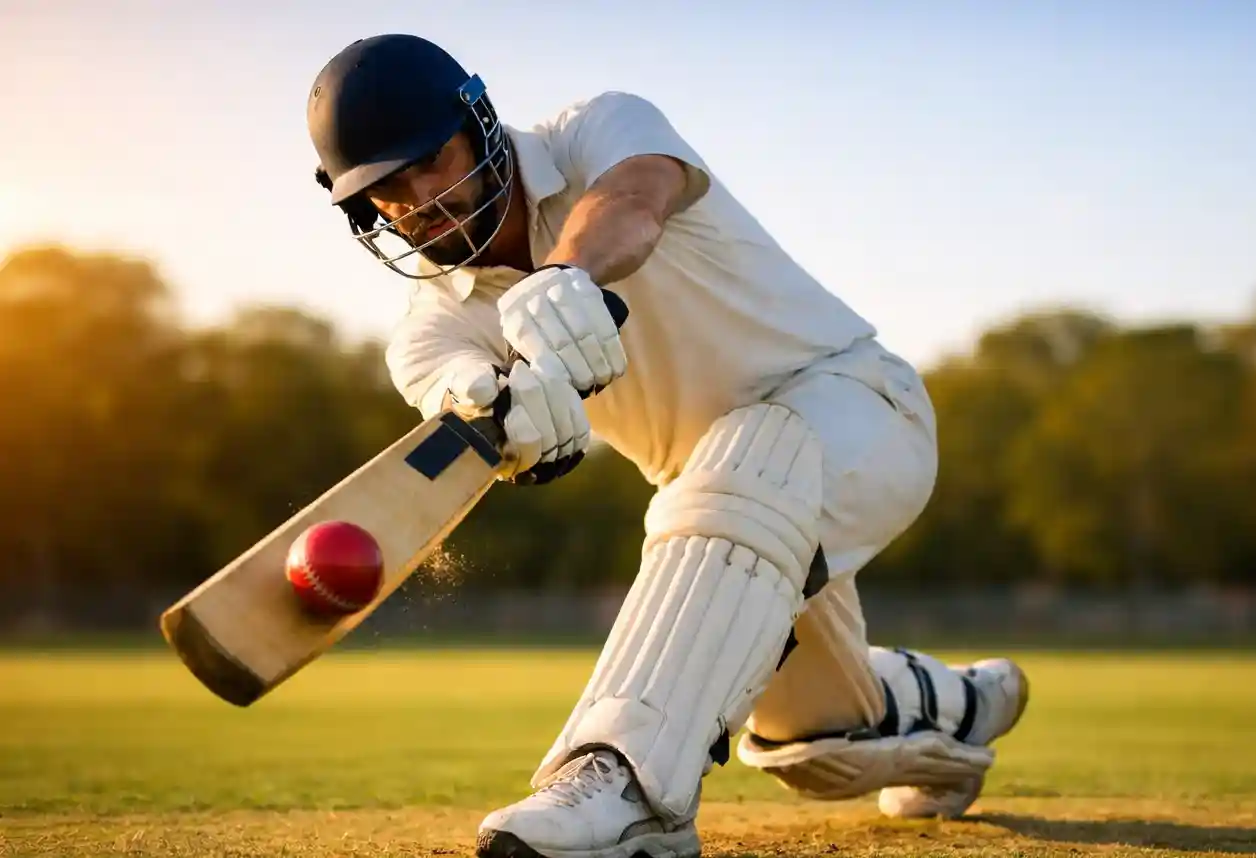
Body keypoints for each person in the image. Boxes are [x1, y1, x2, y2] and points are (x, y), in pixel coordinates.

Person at [306, 33, 1030, 858]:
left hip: (859, 408)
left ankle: (618, 784)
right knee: (818, 743)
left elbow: (635, 201)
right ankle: (958, 704)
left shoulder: (598, 130)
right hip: (724, 533)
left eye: (429, 160)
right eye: (387, 191)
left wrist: (566, 278)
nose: (417, 199)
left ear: (479, 121)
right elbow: (458, 398)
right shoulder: (429, 331)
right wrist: (509, 420)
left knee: (740, 470)